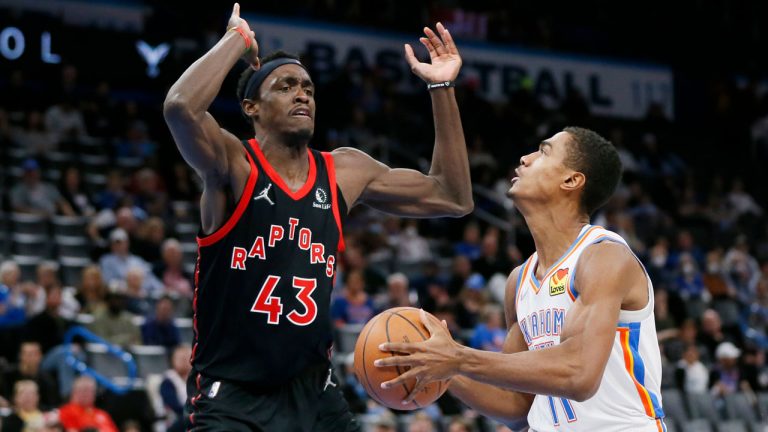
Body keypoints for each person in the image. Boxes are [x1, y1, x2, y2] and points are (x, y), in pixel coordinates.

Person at [163, 3, 471, 431]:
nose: (302, 93)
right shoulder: (234, 165)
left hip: (314, 394)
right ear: (252, 107)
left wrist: (442, 88)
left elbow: (452, 196)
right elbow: (180, 108)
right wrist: (237, 41)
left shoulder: (344, 171)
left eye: (307, 86)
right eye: (286, 85)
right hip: (232, 396)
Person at [377, 128, 667, 431]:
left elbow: (580, 373)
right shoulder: (519, 281)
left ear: (571, 180)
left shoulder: (603, 257)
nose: (525, 158)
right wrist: (437, 366)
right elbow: (516, 407)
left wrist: (458, 358)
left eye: (543, 152)